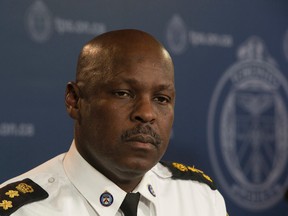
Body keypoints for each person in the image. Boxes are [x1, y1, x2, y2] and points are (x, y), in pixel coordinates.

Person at [0, 29, 227, 216]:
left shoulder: (202, 200)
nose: (147, 114)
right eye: (123, 93)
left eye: (161, 99)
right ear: (75, 100)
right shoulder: (23, 212)